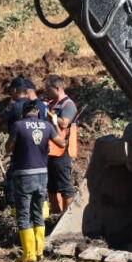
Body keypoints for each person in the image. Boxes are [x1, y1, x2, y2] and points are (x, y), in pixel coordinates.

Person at [5, 99, 64, 262]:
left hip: (24, 174)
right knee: (38, 213)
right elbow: (61, 143)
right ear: (38, 111)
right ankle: (39, 252)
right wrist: (55, 124)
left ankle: (29, 255)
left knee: (24, 214)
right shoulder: (47, 126)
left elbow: (8, 148)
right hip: (42, 174)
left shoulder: (18, 125)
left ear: (23, 112)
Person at [43, 75, 79, 215]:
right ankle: (55, 216)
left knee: (64, 185)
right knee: (51, 186)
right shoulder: (51, 103)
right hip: (50, 150)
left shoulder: (68, 105)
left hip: (62, 151)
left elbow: (64, 123)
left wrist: (53, 117)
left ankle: (68, 217)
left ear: (57, 88)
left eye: (48, 89)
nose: (46, 92)